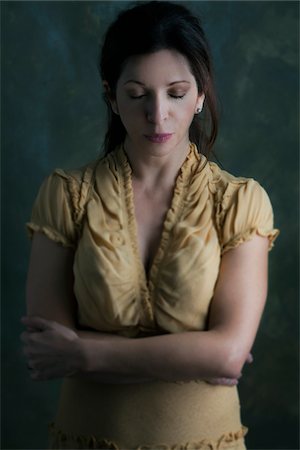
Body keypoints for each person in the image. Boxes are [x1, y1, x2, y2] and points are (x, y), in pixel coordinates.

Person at [21, 1, 280, 449]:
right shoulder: (65, 196)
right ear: (111, 97)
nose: (157, 115)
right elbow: (49, 352)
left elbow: (229, 354)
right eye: (137, 95)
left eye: (176, 94)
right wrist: (195, 357)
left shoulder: (240, 201)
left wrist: (86, 351)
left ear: (200, 95)